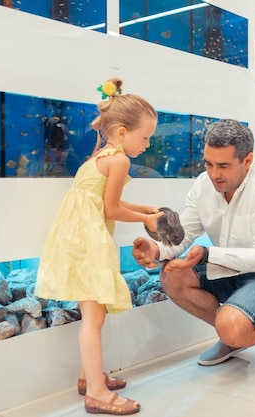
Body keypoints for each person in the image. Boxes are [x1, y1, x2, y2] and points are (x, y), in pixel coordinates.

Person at [132, 119, 255, 366]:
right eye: (208, 164)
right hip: (231, 270)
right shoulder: (203, 184)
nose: (214, 174)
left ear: (247, 161)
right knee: (172, 275)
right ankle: (231, 328)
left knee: (232, 326)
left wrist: (207, 254)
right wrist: (157, 249)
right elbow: (183, 235)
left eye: (224, 166)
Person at [35, 77, 163, 415]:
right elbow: (111, 209)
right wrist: (146, 220)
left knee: (95, 314)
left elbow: (106, 202)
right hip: (88, 241)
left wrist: (145, 209)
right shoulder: (119, 161)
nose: (148, 144)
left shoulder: (101, 156)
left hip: (77, 238)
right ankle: (96, 392)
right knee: (94, 317)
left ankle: (86, 377)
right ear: (122, 133)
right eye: (145, 137)